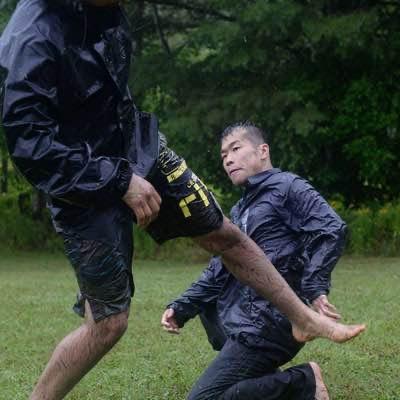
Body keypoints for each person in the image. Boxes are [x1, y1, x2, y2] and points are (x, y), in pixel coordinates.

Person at [0, 1, 364, 399]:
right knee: (108, 323)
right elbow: (31, 147)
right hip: (80, 183)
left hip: (138, 148)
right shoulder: (29, 39)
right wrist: (119, 181)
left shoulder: (108, 11)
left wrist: (134, 166)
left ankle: (303, 320)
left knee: (225, 234)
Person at [162, 121, 350, 400]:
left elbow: (331, 229)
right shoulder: (241, 209)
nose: (228, 159)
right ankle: (269, 374)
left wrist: (314, 287)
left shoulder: (288, 186)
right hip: (248, 319)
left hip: (273, 319)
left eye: (235, 149)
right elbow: (220, 268)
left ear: (263, 151)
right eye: (224, 155)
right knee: (211, 304)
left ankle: (303, 382)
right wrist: (182, 307)